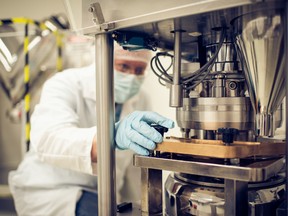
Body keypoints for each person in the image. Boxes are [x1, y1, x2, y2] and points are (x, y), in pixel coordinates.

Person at [8, 43, 174, 216]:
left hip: (104, 194)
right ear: (103, 59)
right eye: (123, 66)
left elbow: (134, 169)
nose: (131, 77)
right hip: (53, 189)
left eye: (139, 70)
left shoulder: (141, 99)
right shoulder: (66, 83)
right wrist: (108, 138)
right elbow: (47, 139)